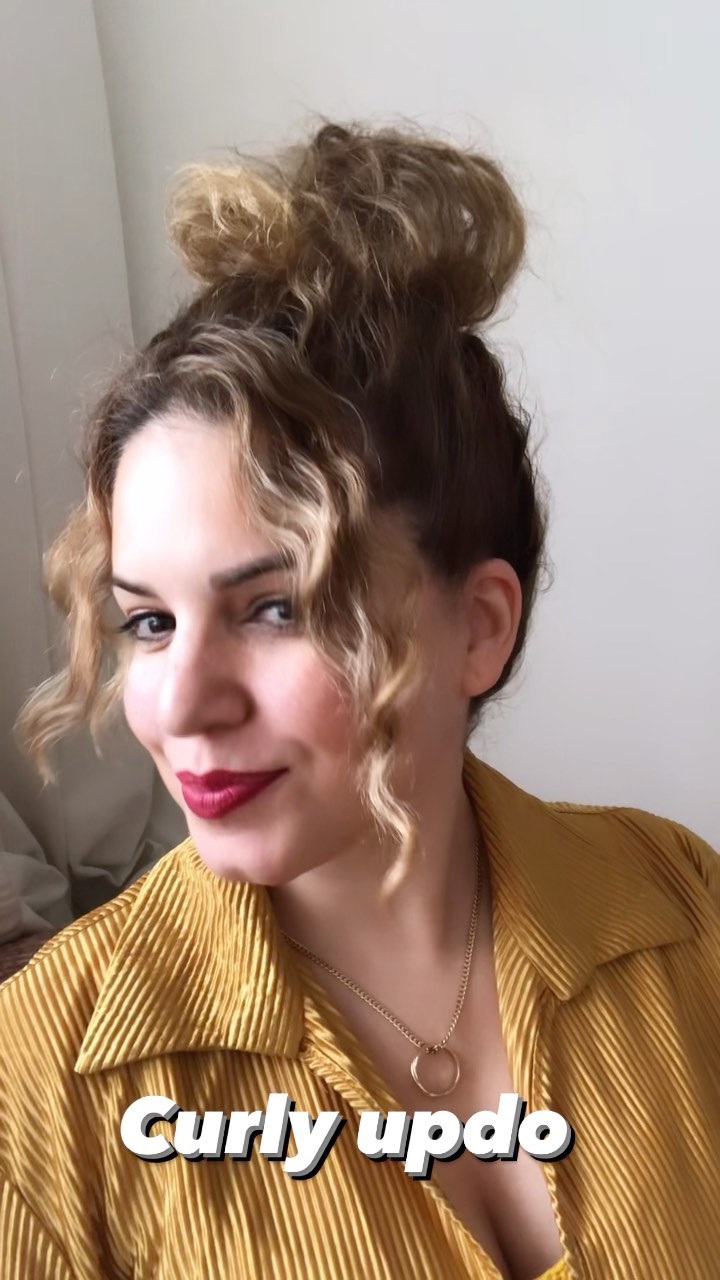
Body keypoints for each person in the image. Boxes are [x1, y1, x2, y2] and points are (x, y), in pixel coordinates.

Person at [0, 120, 718, 1280]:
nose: (180, 704)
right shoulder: (39, 1089)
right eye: (149, 621)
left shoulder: (682, 908)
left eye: (276, 606)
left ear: (478, 626)